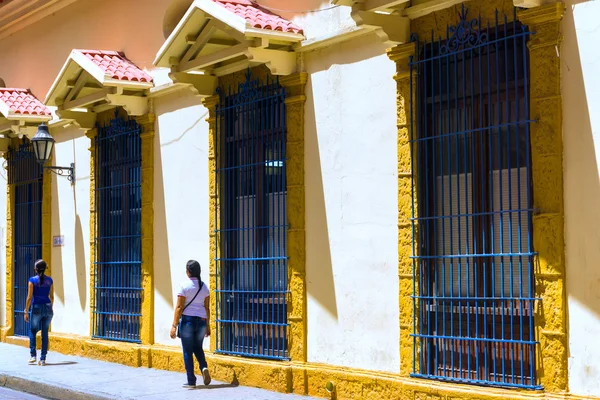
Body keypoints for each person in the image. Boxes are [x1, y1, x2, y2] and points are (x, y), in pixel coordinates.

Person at [170, 260, 211, 388]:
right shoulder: (204, 287)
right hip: (202, 321)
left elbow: (179, 307)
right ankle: (203, 367)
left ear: (188, 271)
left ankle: (191, 381)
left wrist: (174, 326)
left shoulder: (184, 286)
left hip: (188, 321)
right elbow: (207, 308)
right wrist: (208, 326)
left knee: (188, 350)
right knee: (198, 347)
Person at [24, 259, 54, 366]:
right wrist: (50, 308)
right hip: (48, 307)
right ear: (45, 268)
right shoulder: (50, 280)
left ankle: (33, 356)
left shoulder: (32, 280)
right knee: (45, 333)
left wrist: (26, 310)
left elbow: (29, 297)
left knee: (32, 331)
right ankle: (43, 359)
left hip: (36, 307)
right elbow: (52, 297)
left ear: (36, 269)